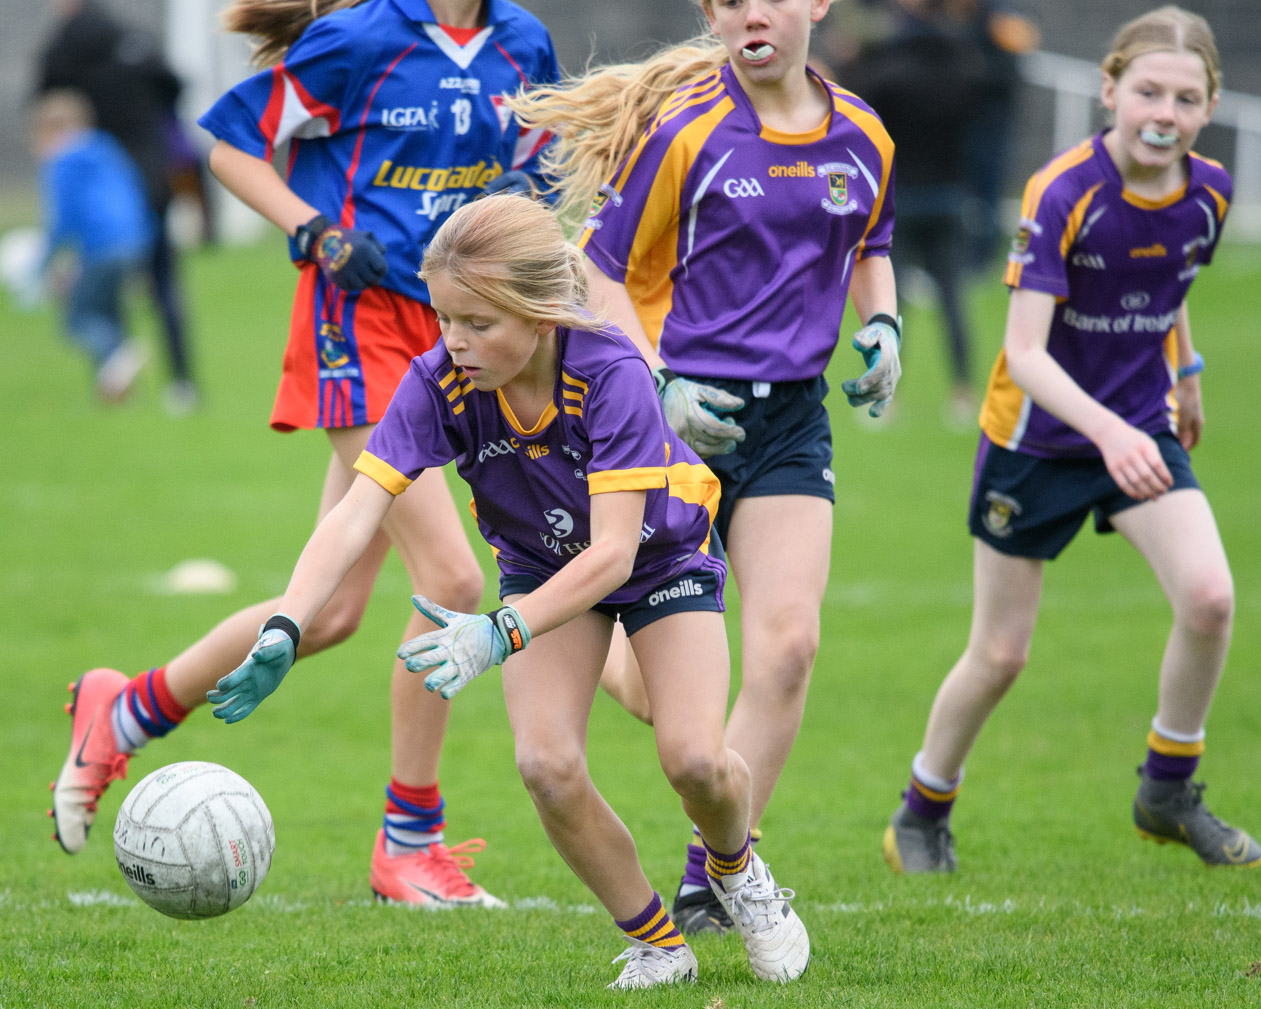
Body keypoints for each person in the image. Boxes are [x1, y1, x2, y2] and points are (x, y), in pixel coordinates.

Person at [208, 194, 810, 988]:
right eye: (444, 317)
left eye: (477, 323)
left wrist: (496, 631)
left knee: (695, 758)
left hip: (657, 560)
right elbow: (359, 510)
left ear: (540, 312)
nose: (453, 341)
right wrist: (286, 624)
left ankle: (738, 870)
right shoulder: (438, 380)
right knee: (546, 765)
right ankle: (659, 942)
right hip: (537, 563)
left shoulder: (611, 371)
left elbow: (612, 556)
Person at [49, 0, 560, 910]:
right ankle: (409, 840)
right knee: (450, 579)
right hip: (357, 324)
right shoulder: (359, 38)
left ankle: (122, 709)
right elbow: (231, 144)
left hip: (456, 330)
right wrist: (316, 230)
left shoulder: (522, 43)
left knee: (324, 614)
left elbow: (533, 190)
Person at [507, 0, 899, 933]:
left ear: (815, 7)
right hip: (677, 421)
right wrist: (657, 386)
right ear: (712, 17)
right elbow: (597, 274)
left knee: (788, 647)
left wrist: (882, 323)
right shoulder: (687, 132)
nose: (750, 11)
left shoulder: (865, 134)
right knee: (664, 694)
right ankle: (612, 652)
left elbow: (870, 246)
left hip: (792, 422)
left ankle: (716, 872)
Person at [882, 5, 1261, 873]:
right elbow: (1022, 352)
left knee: (1208, 598)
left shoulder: (1208, 190)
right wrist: (1109, 430)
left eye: (1186, 97)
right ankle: (921, 808)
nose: (1164, 113)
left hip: (1136, 427)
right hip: (1036, 442)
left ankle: (1167, 787)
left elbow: (1166, 286)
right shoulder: (1062, 192)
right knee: (1001, 652)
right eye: (1147, 92)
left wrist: (1187, 369)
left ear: (1209, 106)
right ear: (1109, 91)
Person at [38, 0, 200, 414]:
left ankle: (116, 377)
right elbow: (175, 86)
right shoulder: (134, 38)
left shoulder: (61, 48)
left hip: (106, 182)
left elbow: (44, 101)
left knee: (102, 295)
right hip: (154, 175)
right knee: (164, 286)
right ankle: (182, 383)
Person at [845, 0, 990, 428]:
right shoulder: (965, 64)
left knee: (891, 302)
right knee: (952, 299)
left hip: (900, 197)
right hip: (949, 195)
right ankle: (963, 393)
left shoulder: (888, 66)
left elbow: (860, 113)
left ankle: (887, 395)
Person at [31, 89, 152, 403]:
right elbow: (135, 194)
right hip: (134, 241)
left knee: (78, 319)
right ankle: (116, 396)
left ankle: (121, 354)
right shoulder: (107, 149)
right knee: (111, 315)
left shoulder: (63, 159)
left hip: (101, 245)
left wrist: (43, 264)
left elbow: (63, 218)